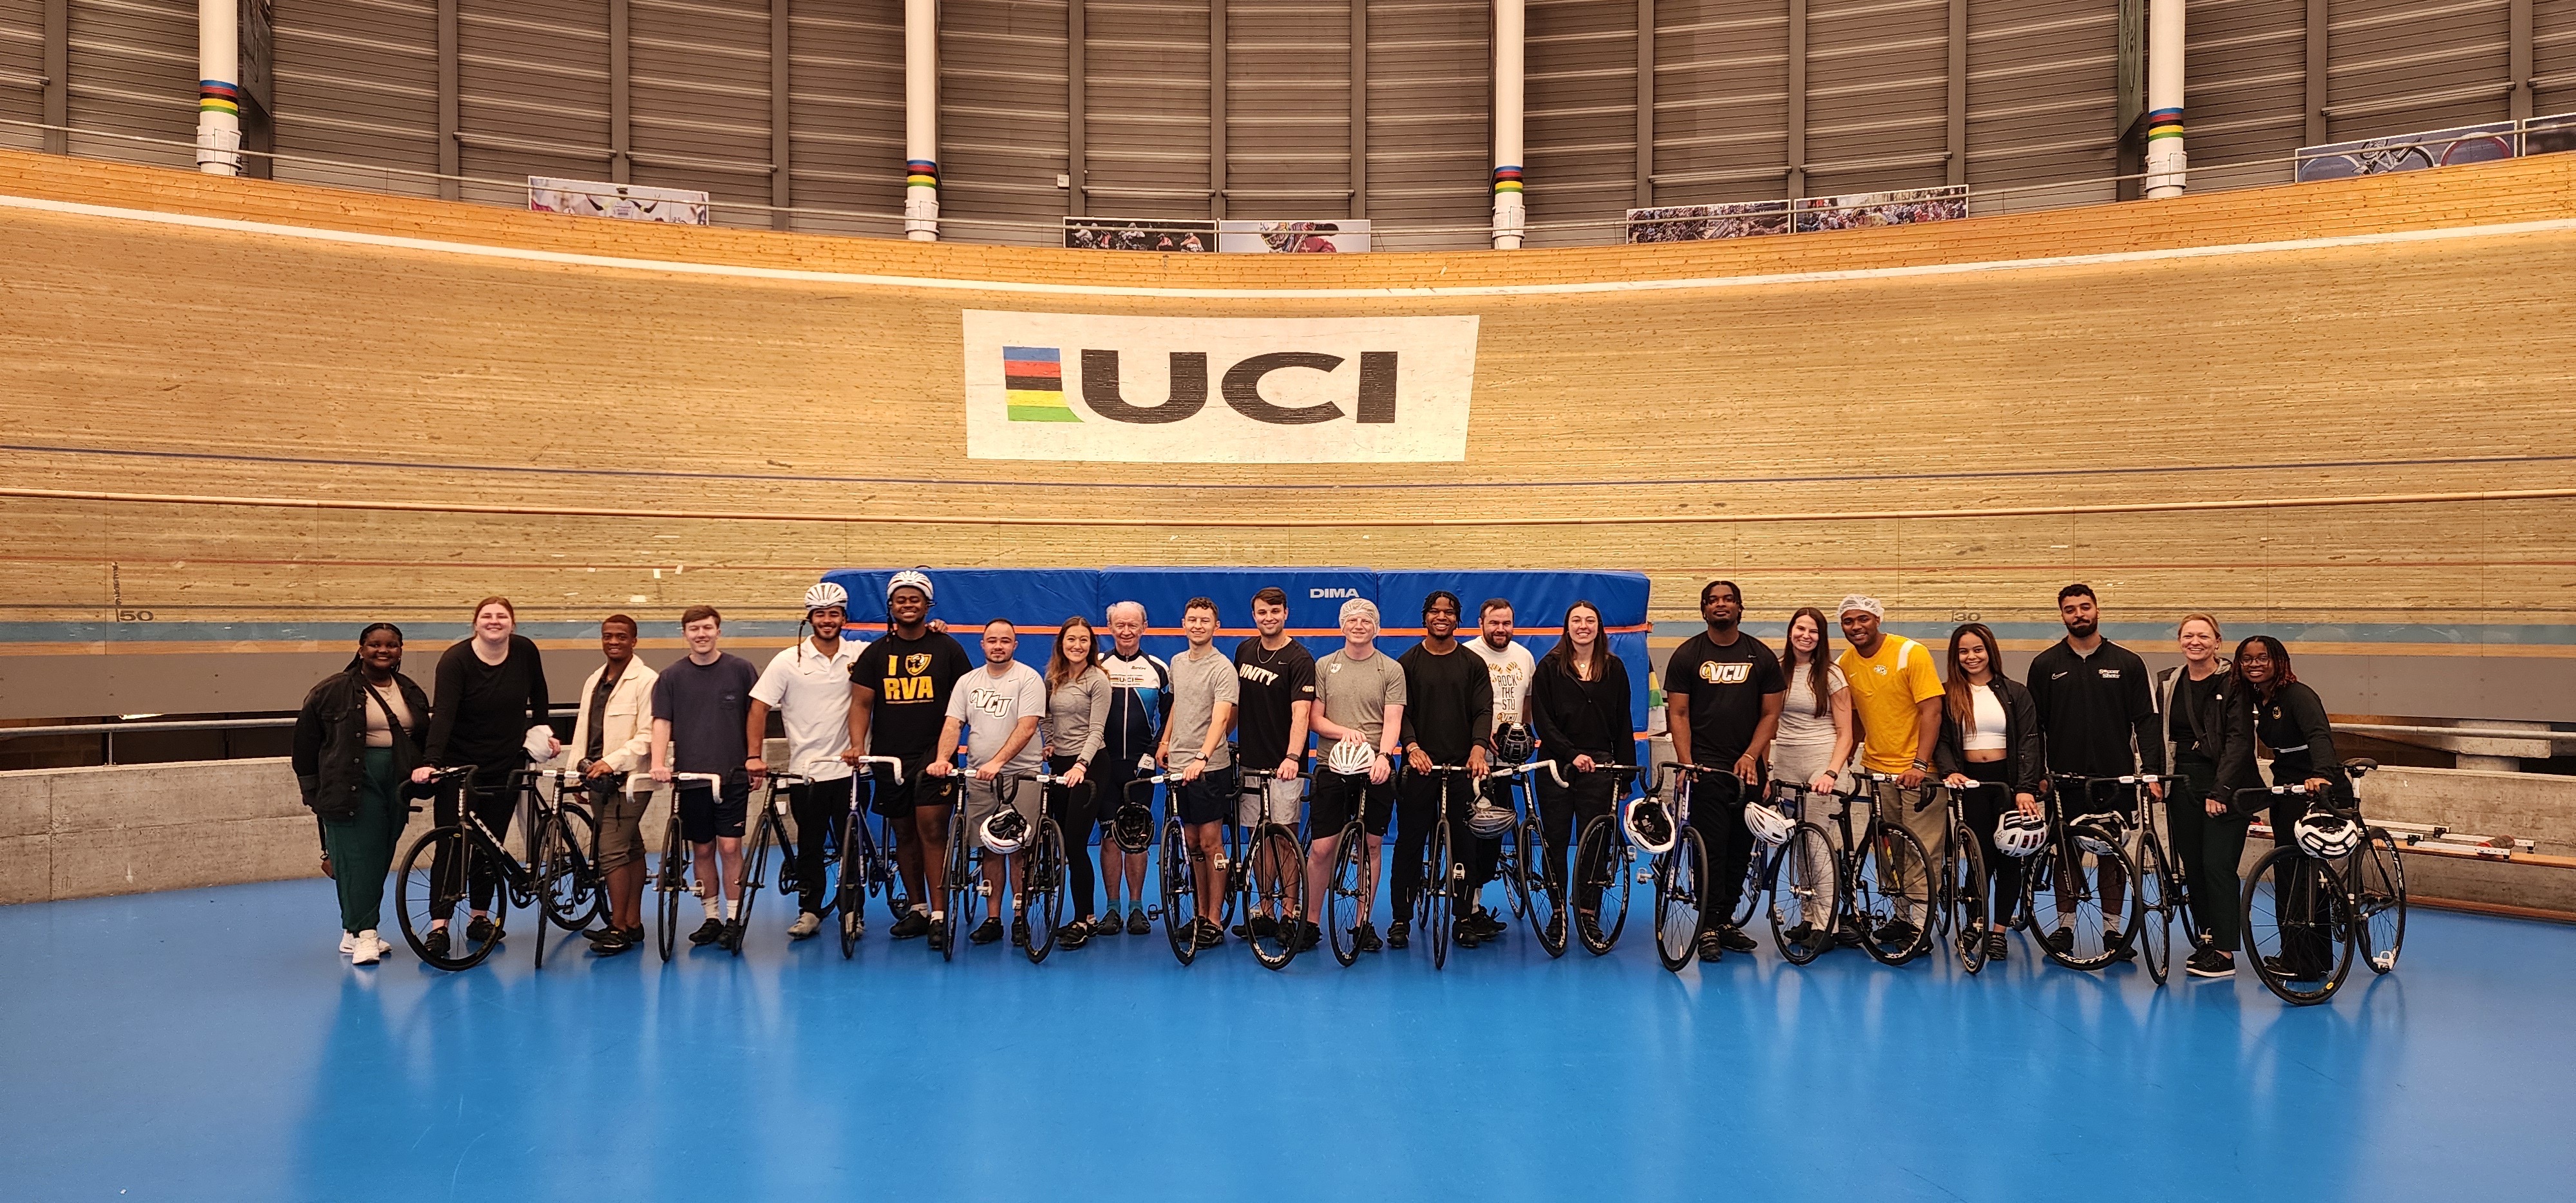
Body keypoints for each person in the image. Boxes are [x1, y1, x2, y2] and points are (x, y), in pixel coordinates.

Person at [2025, 583, 2164, 958]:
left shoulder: (2128, 663)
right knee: (2065, 853)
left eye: (2085, 607)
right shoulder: (2045, 666)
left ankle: (2113, 932)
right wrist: (2035, 773)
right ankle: (2065, 928)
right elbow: (2032, 727)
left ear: (2097, 610)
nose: (2079, 615)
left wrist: (2151, 771)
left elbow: (2146, 722)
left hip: (2114, 779)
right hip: (2063, 781)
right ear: (2062, 615)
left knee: (2111, 855)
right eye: (2070, 609)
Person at [412, 596, 556, 960]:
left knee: (491, 845)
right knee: (453, 844)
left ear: (513, 623)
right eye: (487, 617)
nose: (495, 622)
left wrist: (543, 730)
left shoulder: (524, 651)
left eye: (502, 617)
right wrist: (432, 761)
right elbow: (443, 714)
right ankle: (440, 926)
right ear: (475, 624)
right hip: (460, 766)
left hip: (506, 762)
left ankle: (480, 917)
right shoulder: (456, 660)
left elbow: (539, 693)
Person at [844, 572, 974, 945]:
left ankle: (939, 913)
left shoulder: (947, 648)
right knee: (903, 832)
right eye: (900, 600)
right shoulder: (876, 653)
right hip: (889, 757)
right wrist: (857, 745)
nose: (907, 605)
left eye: (915, 599)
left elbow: (963, 702)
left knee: (931, 830)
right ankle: (917, 909)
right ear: (890, 606)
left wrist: (947, 752)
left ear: (928, 605)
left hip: (934, 756)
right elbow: (861, 703)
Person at [293, 623, 431, 967]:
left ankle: (351, 931)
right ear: (360, 649)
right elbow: (305, 745)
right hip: (351, 781)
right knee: (358, 859)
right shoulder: (331, 690)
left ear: (400, 650)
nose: (382, 651)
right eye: (374, 645)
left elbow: (424, 738)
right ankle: (366, 934)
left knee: (381, 854)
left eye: (391, 645)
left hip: (398, 783)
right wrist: (312, 792)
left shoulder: (411, 691)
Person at [2208, 634, 2344, 980]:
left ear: (2279, 661)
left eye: (2263, 658)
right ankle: (2295, 953)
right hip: (2285, 787)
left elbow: (2319, 736)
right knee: (2287, 872)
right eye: (2247, 658)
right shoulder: (2258, 698)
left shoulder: (2299, 695)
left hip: (2316, 786)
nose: (2255, 664)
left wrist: (2321, 776)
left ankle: (2308, 961)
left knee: (2302, 874)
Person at [1662, 580, 1785, 961]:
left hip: (1748, 770)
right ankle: (1708, 926)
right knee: (1710, 849)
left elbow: (1770, 714)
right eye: (1713, 600)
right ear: (1703, 610)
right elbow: (1678, 714)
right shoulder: (1687, 655)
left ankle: (1726, 919)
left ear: (1740, 608)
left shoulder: (1761, 656)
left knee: (1741, 849)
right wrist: (1686, 762)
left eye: (1728, 600)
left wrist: (1752, 756)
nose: (1721, 605)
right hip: (1704, 770)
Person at [747, 583, 866, 942]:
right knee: (811, 846)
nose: (827, 621)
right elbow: (758, 707)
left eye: (834, 614)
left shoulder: (861, 653)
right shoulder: (787, 660)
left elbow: (905, 650)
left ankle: (852, 913)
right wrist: (754, 756)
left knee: (851, 846)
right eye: (820, 614)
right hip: (806, 772)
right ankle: (810, 910)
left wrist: (937, 628)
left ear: (844, 618)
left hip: (849, 771)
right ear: (810, 618)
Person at [1833, 594, 1944, 948]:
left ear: (1877, 620)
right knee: (1888, 849)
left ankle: (1919, 925)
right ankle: (1900, 917)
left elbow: (1932, 711)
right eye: (1848, 622)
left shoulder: (1911, 653)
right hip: (1877, 772)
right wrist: (1841, 767)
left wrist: (1920, 765)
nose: (1856, 627)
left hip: (1917, 772)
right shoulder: (1844, 663)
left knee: (1922, 850)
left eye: (1862, 620)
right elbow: (1853, 723)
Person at [648, 606, 762, 949]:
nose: (701, 634)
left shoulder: (741, 670)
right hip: (692, 779)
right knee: (702, 849)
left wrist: (756, 760)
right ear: (684, 633)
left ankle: (733, 918)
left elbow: (754, 718)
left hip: (733, 777)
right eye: (694, 628)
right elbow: (661, 723)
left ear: (719, 631)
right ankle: (711, 917)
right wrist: (658, 762)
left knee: (730, 847)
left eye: (708, 628)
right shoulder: (670, 677)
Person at [931, 620, 1048, 947]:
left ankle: (1021, 917)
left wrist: (998, 762)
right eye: (992, 641)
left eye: (1005, 641)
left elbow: (1027, 728)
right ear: (982, 645)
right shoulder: (967, 682)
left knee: (1018, 848)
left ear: (1015, 645)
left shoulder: (1028, 679)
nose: (998, 646)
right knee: (989, 848)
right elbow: (953, 724)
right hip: (980, 777)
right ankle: (993, 917)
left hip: (1021, 775)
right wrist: (943, 758)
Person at [1526, 600, 1636, 946]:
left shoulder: (1614, 669)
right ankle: (1558, 912)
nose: (1583, 626)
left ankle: (1588, 913)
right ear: (1567, 626)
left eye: (1590, 620)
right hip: (1557, 765)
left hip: (1601, 767)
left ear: (1599, 627)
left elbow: (1622, 724)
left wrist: (1626, 776)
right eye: (1577, 620)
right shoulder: (1548, 668)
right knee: (1555, 840)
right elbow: (1542, 720)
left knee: (1596, 842)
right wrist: (1573, 754)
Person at [1931, 622, 2043, 964]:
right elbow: (1942, 740)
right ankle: (1975, 921)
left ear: (1990, 651)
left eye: (1977, 649)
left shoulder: (2015, 692)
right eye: (1964, 651)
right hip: (1970, 783)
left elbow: (2028, 740)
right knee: (1979, 857)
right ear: (1955, 656)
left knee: (2010, 857)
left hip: (2007, 783)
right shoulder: (1948, 692)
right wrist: (1951, 771)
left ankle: (1998, 931)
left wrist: (2025, 789)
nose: (1971, 657)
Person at [1302, 598, 1406, 953]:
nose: (1359, 625)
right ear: (1342, 626)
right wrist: (1344, 731)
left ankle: (1362, 924)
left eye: (1366, 620)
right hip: (1331, 766)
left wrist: (1383, 757)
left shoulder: (1391, 670)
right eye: (1352, 620)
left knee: (1371, 846)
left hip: (1373, 770)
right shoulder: (1325, 666)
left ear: (1375, 627)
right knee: (1322, 848)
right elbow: (1315, 719)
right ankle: (1311, 921)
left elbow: (1393, 720)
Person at [1394, 591, 1493, 950]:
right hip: (1420, 769)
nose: (1441, 617)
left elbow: (1484, 711)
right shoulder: (1406, 663)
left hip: (1462, 769)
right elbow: (1399, 712)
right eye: (1434, 612)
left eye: (1448, 612)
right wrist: (1412, 747)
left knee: (1465, 844)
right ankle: (1400, 919)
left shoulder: (1472, 663)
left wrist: (1478, 750)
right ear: (1424, 618)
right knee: (1410, 843)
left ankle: (1464, 917)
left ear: (1457, 620)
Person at [563, 614, 658, 956]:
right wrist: (578, 772)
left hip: (630, 781)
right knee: (630, 848)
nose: (613, 641)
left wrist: (612, 762)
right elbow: (583, 731)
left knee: (611, 850)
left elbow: (648, 735)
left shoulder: (647, 680)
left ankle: (616, 927)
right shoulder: (594, 680)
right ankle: (632, 922)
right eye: (607, 636)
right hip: (597, 780)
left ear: (634, 640)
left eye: (621, 636)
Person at [2156, 614, 2244, 978]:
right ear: (2180, 641)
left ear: (2218, 642)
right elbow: (2155, 732)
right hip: (2182, 781)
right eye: (2188, 635)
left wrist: (2220, 789)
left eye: (2203, 636)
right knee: (2192, 864)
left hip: (2226, 782)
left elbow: (2239, 740)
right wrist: (2156, 775)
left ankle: (2225, 952)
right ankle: (2207, 938)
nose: (2196, 641)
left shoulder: (2233, 683)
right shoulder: (2168, 683)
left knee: (2217, 865)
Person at [1232, 587, 1314, 941]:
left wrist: (1293, 757)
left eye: (1275, 612)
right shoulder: (1244, 650)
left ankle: (1288, 912)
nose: (1269, 618)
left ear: (1286, 614)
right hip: (1250, 763)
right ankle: (1264, 910)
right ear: (1254, 616)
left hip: (1284, 765)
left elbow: (1302, 714)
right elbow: (1234, 706)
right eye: (1262, 612)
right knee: (1259, 839)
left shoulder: (1300, 659)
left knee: (1284, 840)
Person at [1159, 598, 1240, 949]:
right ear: (1183, 623)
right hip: (1178, 767)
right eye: (1192, 619)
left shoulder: (1223, 668)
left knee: (1211, 844)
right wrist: (1165, 742)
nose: (1197, 625)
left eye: (1205, 620)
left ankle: (1215, 920)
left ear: (1215, 626)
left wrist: (1202, 758)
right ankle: (1199, 913)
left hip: (1209, 770)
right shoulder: (1177, 663)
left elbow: (1221, 718)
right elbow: (1178, 704)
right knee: (1191, 844)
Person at [1091, 600, 1170, 936]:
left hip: (1141, 766)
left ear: (1144, 627)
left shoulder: (1158, 668)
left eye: (1133, 625)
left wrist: (1153, 752)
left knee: (1137, 838)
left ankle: (1137, 907)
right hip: (1105, 765)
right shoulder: (1096, 665)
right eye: (1120, 625)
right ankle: (1112, 908)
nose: (1126, 631)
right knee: (1110, 836)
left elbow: (1170, 720)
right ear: (1110, 628)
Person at [1461, 597, 1535, 942]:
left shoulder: (1524, 657)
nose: (1501, 629)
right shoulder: (1466, 655)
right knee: (1470, 839)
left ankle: (1477, 905)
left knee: (1495, 836)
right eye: (1494, 623)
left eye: (1506, 623)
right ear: (1481, 623)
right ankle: (1468, 910)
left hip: (1507, 762)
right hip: (1474, 763)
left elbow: (1528, 703)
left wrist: (1524, 736)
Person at [1042, 616, 1111, 947]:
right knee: (1064, 845)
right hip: (1061, 764)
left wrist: (1081, 764)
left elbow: (1097, 729)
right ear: (1062, 643)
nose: (1077, 646)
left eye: (1084, 640)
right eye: (1071, 640)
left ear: (1091, 645)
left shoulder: (1098, 679)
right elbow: (1046, 715)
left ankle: (1086, 919)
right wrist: (1049, 741)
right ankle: (1080, 916)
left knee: (1075, 843)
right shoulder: (1053, 678)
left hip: (1091, 764)